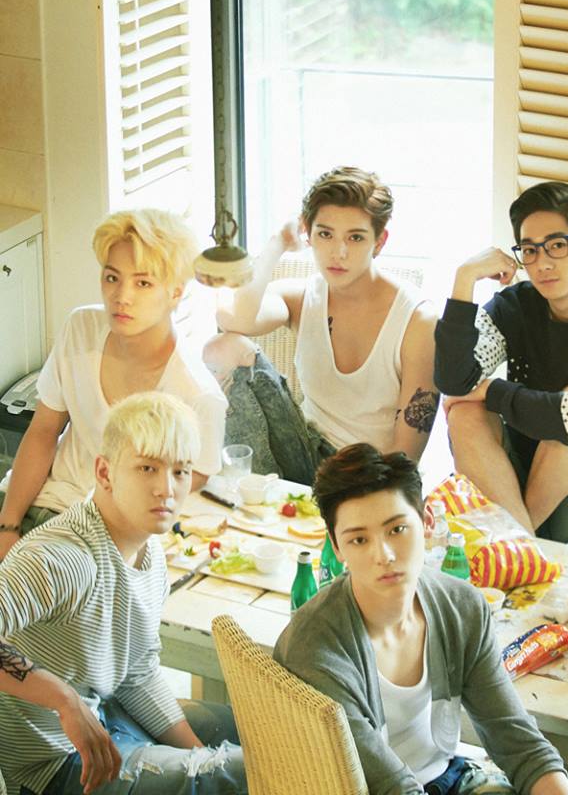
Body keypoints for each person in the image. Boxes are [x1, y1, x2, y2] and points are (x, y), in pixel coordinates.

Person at [274, 443, 568, 795]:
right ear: (336, 548)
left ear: (428, 522)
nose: (383, 555)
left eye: (397, 529)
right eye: (359, 540)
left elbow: (518, 742)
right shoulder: (314, 647)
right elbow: (386, 784)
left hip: (449, 777)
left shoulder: (462, 607)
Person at [0, 391, 246, 795]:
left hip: (110, 719)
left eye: (180, 471)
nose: (166, 489)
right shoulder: (63, 557)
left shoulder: (151, 555)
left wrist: (200, 754)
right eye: (147, 468)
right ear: (105, 472)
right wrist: (63, 699)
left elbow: (137, 674)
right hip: (52, 764)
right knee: (242, 773)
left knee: (258, 730)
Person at [0, 209, 227, 560]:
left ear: (175, 293)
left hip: (101, 538)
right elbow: (43, 430)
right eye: (112, 278)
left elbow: (189, 482)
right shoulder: (81, 328)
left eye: (143, 283)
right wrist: (8, 526)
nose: (122, 296)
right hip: (34, 501)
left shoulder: (197, 394)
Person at [434, 181, 568, 553]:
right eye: (530, 250)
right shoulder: (515, 306)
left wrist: (493, 391)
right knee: (464, 413)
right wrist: (464, 279)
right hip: (521, 494)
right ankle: (525, 548)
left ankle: (515, 545)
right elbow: (453, 381)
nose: (542, 263)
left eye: (557, 245)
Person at [207, 166, 439, 482]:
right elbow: (234, 319)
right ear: (309, 232)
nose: (337, 253)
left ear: (379, 241)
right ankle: (258, 495)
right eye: (325, 234)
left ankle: (277, 502)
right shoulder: (304, 297)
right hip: (305, 452)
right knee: (222, 349)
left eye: (355, 238)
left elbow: (406, 455)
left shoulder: (417, 320)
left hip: (372, 472)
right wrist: (278, 243)